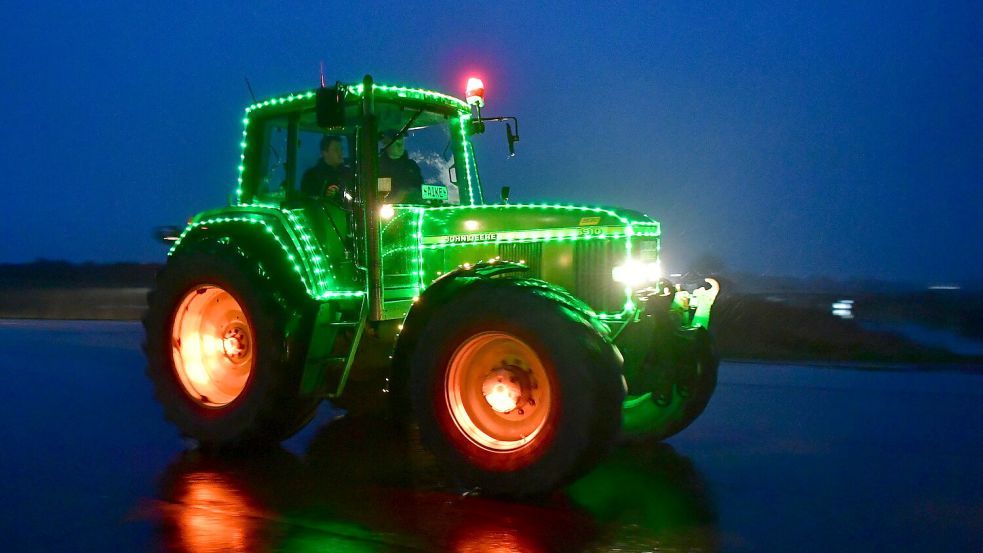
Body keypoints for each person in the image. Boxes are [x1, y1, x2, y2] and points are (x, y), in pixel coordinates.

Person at [301, 135, 352, 202]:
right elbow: (309, 202)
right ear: (325, 153)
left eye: (341, 149)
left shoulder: (348, 173)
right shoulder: (311, 176)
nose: (341, 153)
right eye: (336, 150)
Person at [378, 133, 423, 203]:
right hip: (389, 210)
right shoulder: (378, 166)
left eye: (402, 142)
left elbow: (420, 190)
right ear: (386, 144)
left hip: (414, 209)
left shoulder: (412, 166)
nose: (400, 146)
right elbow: (381, 195)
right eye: (397, 143)